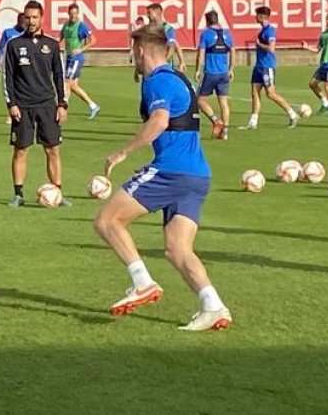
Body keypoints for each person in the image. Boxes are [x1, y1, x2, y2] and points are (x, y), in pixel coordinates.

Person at [95, 23, 231, 332]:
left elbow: (159, 121)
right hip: (198, 175)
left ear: (140, 51)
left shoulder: (157, 81)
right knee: (177, 248)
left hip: (172, 170)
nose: (134, 58)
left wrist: (123, 152)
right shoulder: (180, 78)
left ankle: (142, 282)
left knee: (107, 220)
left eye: (134, 52)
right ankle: (213, 306)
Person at [1, 0, 70, 208]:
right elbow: (8, 77)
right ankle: (18, 194)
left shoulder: (51, 44)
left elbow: (59, 76)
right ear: (23, 18)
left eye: (34, 17)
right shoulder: (13, 45)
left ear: (41, 18)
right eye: (27, 17)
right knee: (21, 150)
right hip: (22, 106)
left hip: (47, 105)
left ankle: (57, 191)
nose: (31, 21)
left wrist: (62, 104)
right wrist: (11, 104)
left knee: (52, 149)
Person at [245, 6, 300, 129]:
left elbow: (271, 48)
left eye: (256, 15)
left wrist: (259, 44)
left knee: (271, 94)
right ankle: (253, 122)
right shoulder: (262, 31)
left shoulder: (270, 30)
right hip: (259, 66)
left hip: (267, 66)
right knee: (254, 92)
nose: (255, 17)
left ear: (261, 16)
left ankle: (292, 114)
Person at [194, 11, 234, 140]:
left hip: (211, 73)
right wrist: (231, 68)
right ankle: (226, 133)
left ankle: (216, 120)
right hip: (224, 73)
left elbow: (201, 53)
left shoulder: (206, 34)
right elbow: (233, 51)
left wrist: (198, 70)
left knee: (200, 100)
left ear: (207, 21)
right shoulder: (227, 34)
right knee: (224, 102)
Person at [59, 3, 100, 119]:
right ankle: (93, 106)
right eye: (71, 14)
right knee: (73, 85)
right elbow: (60, 38)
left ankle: (63, 106)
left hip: (76, 59)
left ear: (78, 14)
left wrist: (81, 49)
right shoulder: (66, 25)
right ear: (68, 14)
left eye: (75, 14)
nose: (73, 16)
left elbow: (93, 41)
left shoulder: (81, 26)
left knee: (67, 82)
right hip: (68, 58)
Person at [135, 3, 184, 81]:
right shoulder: (147, 29)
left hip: (163, 71)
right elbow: (141, 50)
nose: (147, 15)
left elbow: (172, 46)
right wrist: (137, 68)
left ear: (158, 13)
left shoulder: (167, 28)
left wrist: (162, 63)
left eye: (149, 13)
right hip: (148, 70)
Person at [0, 13, 27, 124]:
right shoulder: (8, 32)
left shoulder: (26, 34)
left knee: (22, 87)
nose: (25, 24)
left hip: (22, 65)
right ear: (18, 21)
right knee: (10, 88)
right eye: (23, 22)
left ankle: (23, 112)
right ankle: (11, 113)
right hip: (9, 64)